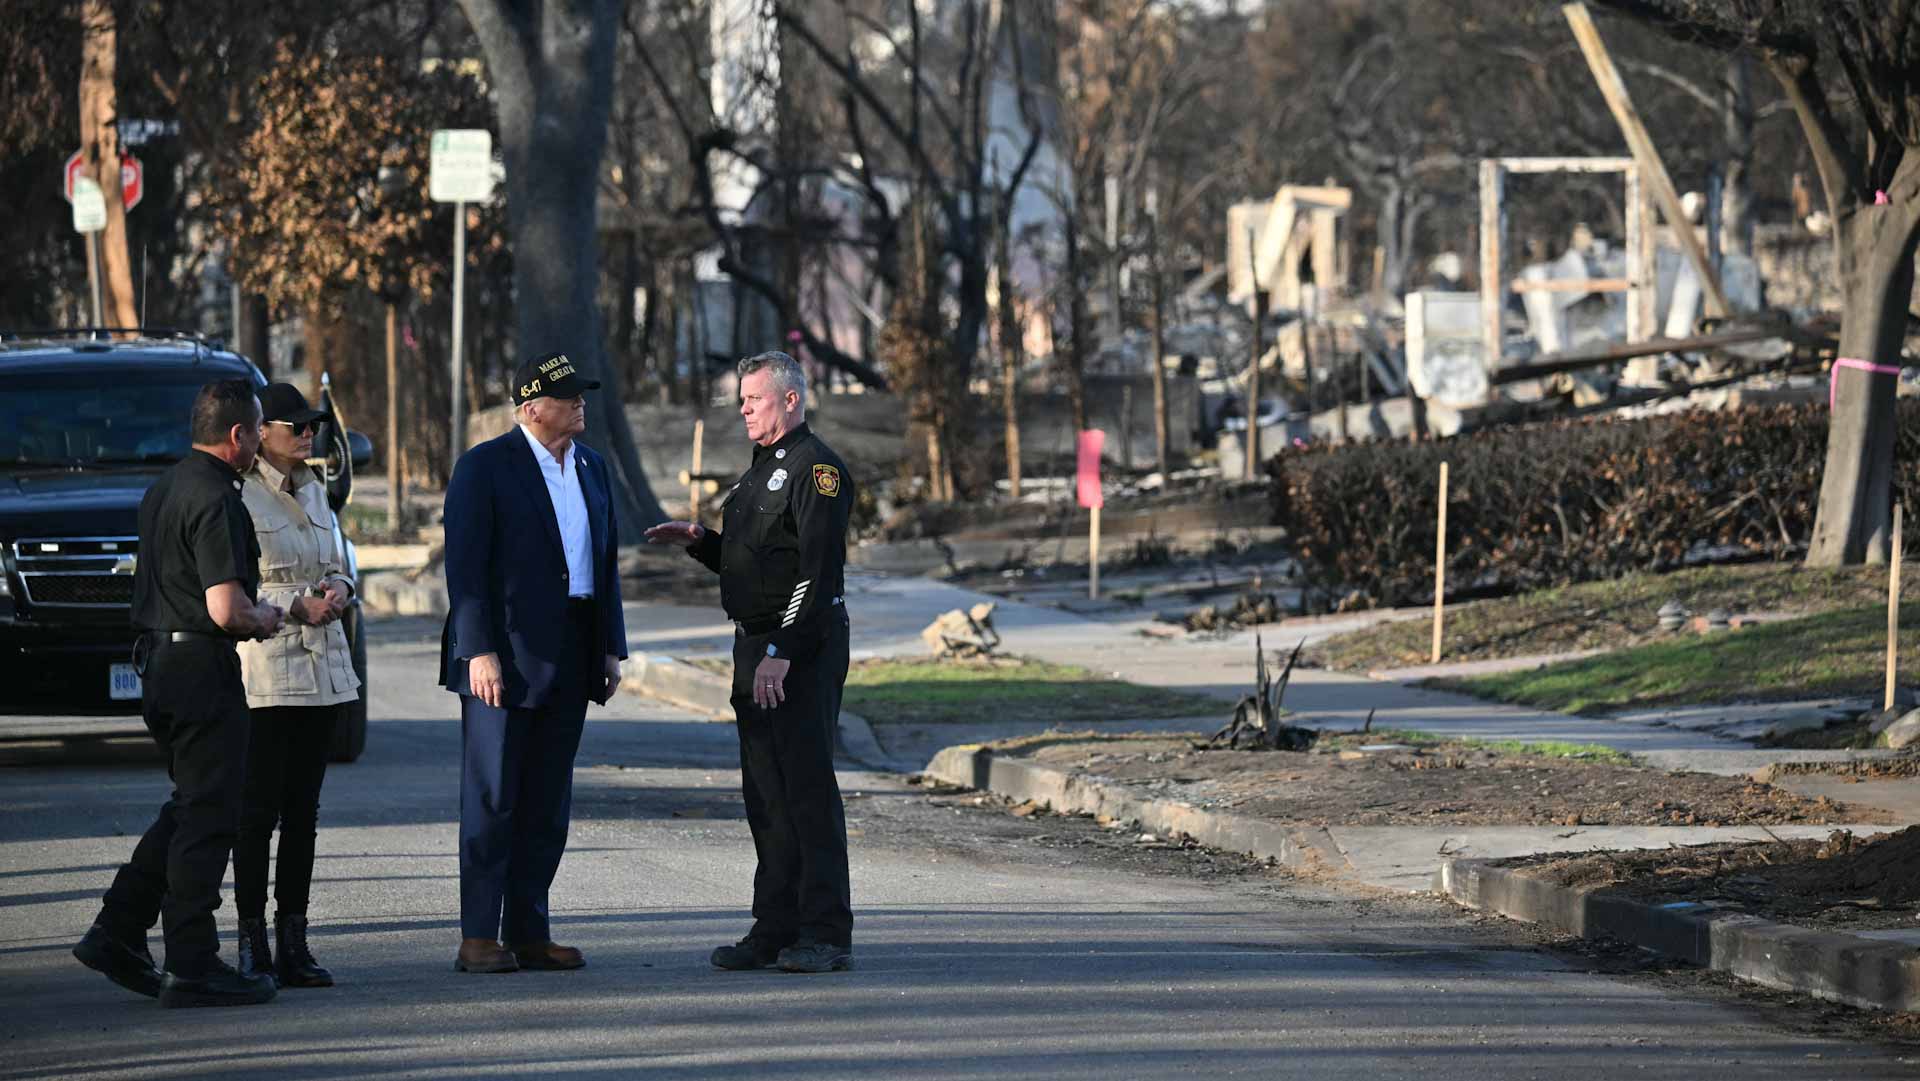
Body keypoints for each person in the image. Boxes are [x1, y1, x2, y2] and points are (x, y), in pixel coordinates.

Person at [73, 379, 286, 1008]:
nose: (257, 447)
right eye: (255, 433)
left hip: (160, 666)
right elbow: (225, 608)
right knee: (210, 816)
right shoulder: (219, 497)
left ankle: (117, 928)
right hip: (200, 668)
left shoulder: (165, 487)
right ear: (238, 435)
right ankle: (192, 961)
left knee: (191, 805)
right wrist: (266, 617)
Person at [645, 350, 855, 975]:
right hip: (755, 648)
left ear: (790, 400)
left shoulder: (818, 471)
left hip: (800, 650)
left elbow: (816, 576)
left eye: (753, 398)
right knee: (766, 796)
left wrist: (781, 653)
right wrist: (703, 544)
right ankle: (773, 928)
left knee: (808, 792)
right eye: (741, 398)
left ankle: (825, 933)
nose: (742, 408)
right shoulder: (762, 469)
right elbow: (762, 564)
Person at [439, 351, 627, 974]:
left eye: (582, 393)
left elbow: (604, 564)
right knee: (494, 796)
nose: (580, 403)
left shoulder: (593, 467)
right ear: (530, 409)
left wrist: (608, 646)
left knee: (548, 798)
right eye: (568, 395)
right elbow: (465, 568)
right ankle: (477, 937)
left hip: (572, 646)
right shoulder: (485, 467)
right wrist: (479, 652)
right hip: (505, 654)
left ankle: (530, 931)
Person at [232, 383, 361, 989]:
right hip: (266, 671)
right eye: (295, 425)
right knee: (257, 812)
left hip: (323, 669)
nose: (308, 434)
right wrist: (296, 604)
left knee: (303, 813)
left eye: (312, 424)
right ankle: (251, 941)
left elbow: (334, 562)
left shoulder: (314, 488)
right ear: (262, 432)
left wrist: (340, 589)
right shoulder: (240, 494)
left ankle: (294, 941)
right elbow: (233, 590)